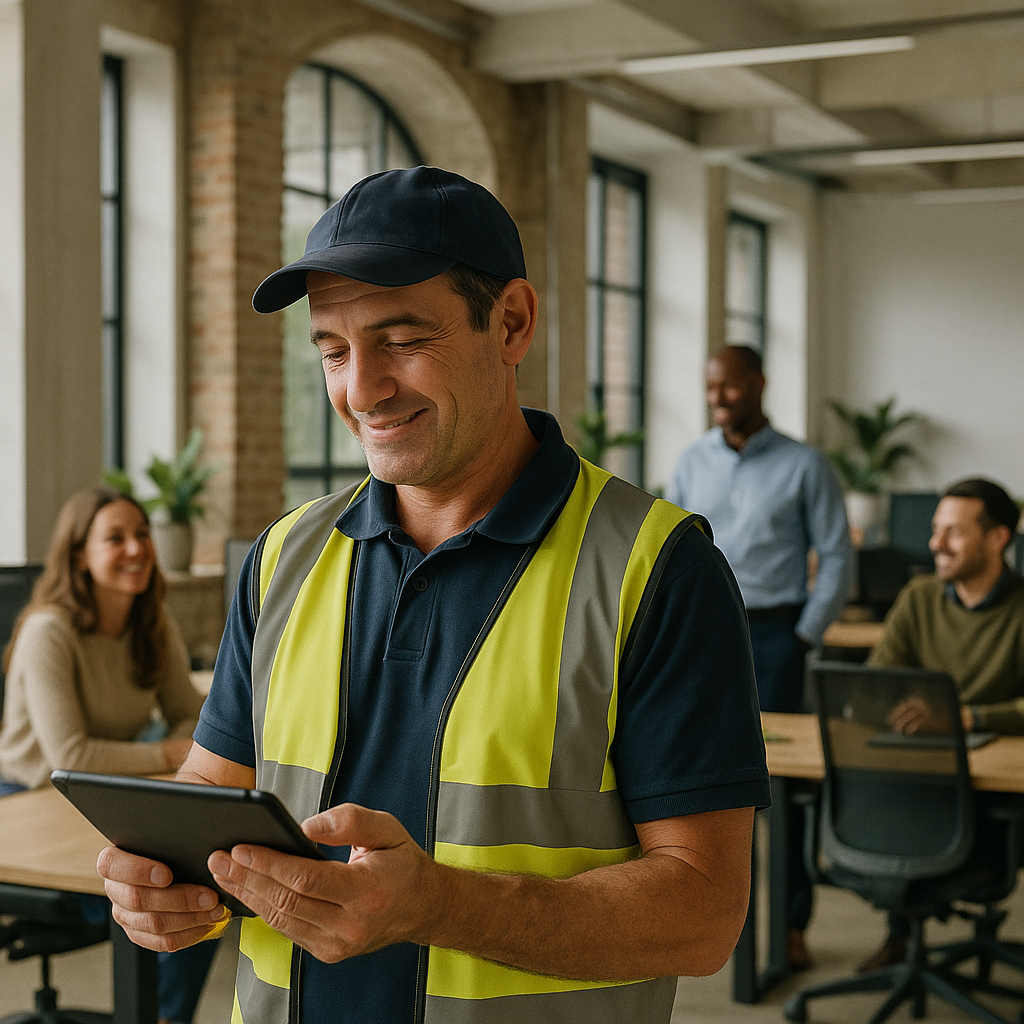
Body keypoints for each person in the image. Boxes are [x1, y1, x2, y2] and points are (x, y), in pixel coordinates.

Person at [96, 165, 771, 1024]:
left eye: (403, 339)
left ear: (512, 322)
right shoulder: (282, 558)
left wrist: (440, 907)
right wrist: (157, 880)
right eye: (333, 352)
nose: (361, 388)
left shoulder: (655, 569)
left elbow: (704, 913)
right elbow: (208, 789)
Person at [666, 344, 854, 971]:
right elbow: (670, 552)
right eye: (710, 387)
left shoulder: (806, 465)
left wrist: (806, 634)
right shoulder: (691, 462)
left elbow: (836, 555)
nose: (718, 398)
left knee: (784, 786)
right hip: (702, 637)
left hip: (778, 636)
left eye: (730, 387)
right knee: (707, 783)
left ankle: (792, 926)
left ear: (759, 385)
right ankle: (722, 925)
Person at [0, 485, 218, 1024]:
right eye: (114, 538)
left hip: (95, 797)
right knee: (153, 887)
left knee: (199, 887)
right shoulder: (49, 632)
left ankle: (163, 1018)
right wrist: (171, 749)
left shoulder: (152, 622)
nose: (136, 548)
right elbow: (69, 755)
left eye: (142, 534)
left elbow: (191, 712)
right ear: (79, 555)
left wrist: (182, 739)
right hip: (27, 804)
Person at [858, 476, 1024, 972]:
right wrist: (901, 709)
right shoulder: (919, 596)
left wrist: (965, 717)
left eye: (953, 532)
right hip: (916, 778)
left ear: (998, 539)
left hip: (995, 800)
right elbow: (878, 680)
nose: (935, 544)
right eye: (935, 530)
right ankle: (902, 932)